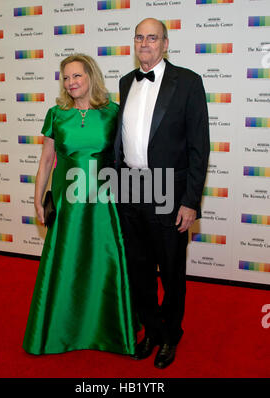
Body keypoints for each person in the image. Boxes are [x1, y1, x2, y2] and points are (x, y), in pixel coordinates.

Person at [23, 54, 137, 356]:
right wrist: (38, 198)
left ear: (91, 77)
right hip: (68, 202)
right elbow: (47, 160)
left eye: (77, 76)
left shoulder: (113, 112)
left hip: (104, 201)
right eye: (66, 77)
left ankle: (109, 329)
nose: (71, 82)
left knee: (105, 262)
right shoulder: (56, 114)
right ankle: (60, 330)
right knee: (66, 264)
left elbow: (126, 156)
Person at [114, 18, 210, 369]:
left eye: (152, 38)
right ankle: (151, 330)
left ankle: (171, 335)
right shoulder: (126, 83)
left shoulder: (187, 82)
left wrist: (190, 201)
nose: (145, 43)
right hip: (129, 189)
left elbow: (200, 147)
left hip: (170, 192)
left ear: (165, 44)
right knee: (138, 268)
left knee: (171, 270)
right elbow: (121, 141)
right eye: (139, 37)